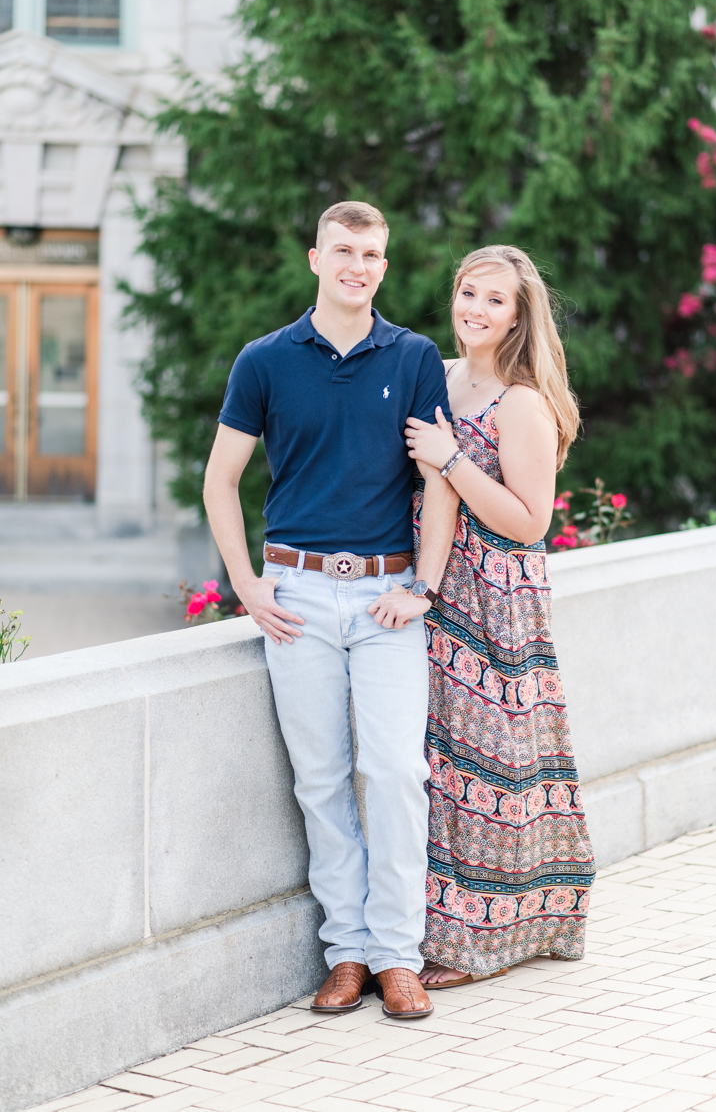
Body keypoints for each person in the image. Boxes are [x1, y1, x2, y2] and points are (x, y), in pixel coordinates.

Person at [203, 201, 459, 1018]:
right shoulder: (266, 360)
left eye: (373, 253)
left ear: (384, 264)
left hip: (388, 597)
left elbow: (440, 479)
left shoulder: (416, 357)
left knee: (393, 774)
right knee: (320, 780)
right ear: (316, 257)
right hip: (299, 596)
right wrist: (246, 580)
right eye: (344, 249)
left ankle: (398, 955)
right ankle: (345, 952)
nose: (359, 264)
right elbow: (221, 479)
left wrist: (421, 585)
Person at [404, 245, 596, 987]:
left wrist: (453, 460)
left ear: (519, 317)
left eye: (494, 301)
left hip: (494, 596)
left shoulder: (522, 401)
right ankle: (446, 924)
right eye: (468, 292)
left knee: (495, 764)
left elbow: (528, 521)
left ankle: (488, 935)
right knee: (440, 763)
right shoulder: (441, 377)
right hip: (432, 585)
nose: (475, 310)